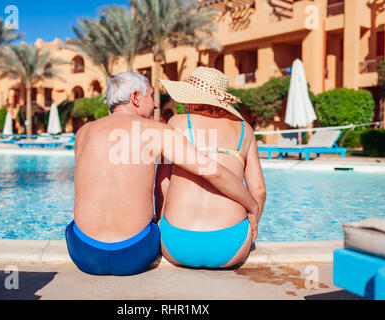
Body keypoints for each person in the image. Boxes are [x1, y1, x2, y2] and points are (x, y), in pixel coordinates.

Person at [66, 72, 259, 276]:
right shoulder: (158, 131)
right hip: (132, 253)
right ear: (135, 98)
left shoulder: (83, 133)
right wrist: (252, 206)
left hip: (83, 251)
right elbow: (211, 171)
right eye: (151, 96)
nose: (156, 105)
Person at [155, 67, 266, 269]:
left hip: (177, 243)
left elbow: (162, 183)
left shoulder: (176, 123)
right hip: (231, 245)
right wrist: (254, 223)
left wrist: (161, 220)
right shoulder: (245, 129)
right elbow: (259, 190)